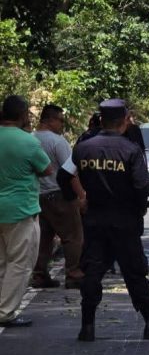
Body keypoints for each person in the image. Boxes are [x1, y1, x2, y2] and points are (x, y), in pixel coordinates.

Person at [57, 99, 149, 342]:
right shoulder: (131, 150)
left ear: (101, 120)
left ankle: (87, 327)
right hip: (125, 222)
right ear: (125, 121)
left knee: (92, 272)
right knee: (135, 273)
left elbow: (63, 176)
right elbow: (141, 186)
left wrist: (78, 201)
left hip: (94, 221)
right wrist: (139, 212)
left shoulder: (83, 148)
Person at [0, 95, 52, 327]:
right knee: (20, 263)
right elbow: (47, 169)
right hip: (20, 210)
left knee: (2, 262)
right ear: (23, 115)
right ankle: (5, 312)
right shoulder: (28, 142)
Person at [31, 104, 86, 289]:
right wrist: (81, 196)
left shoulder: (30, 139)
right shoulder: (57, 141)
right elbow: (70, 172)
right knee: (73, 236)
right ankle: (73, 274)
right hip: (59, 194)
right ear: (50, 120)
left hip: (38, 195)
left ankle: (39, 275)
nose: (62, 125)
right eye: (61, 121)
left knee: (44, 238)